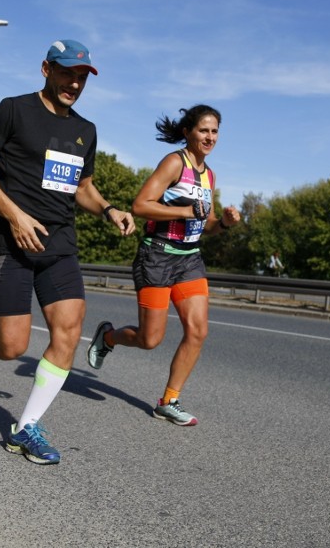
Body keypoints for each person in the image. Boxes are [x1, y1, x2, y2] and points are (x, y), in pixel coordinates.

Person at [0, 39, 135, 465]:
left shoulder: (85, 129)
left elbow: (82, 187)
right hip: (9, 241)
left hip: (59, 244)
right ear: (46, 69)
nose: (75, 83)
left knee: (68, 330)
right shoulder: (12, 110)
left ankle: (24, 427)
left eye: (82, 76)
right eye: (68, 72)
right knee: (11, 346)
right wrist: (14, 215)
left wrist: (108, 210)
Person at [85, 104, 241, 426]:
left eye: (214, 132)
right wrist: (185, 212)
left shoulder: (209, 174)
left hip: (190, 259)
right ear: (188, 132)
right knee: (150, 339)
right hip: (156, 256)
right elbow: (140, 205)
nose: (210, 137)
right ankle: (109, 337)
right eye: (203, 131)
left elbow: (206, 224)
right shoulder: (174, 163)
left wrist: (223, 223)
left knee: (198, 331)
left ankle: (169, 400)